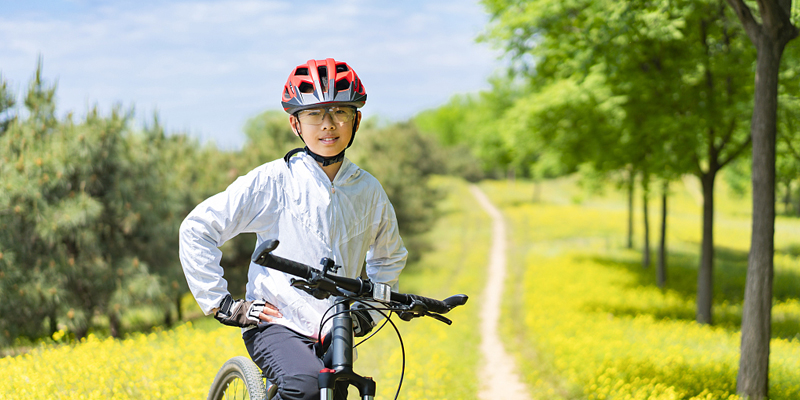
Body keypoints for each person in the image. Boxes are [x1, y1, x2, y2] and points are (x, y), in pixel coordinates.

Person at [179, 58, 408, 400]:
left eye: (340, 113)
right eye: (315, 114)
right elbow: (198, 228)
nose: (328, 125)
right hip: (277, 322)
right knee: (305, 388)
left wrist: (369, 312)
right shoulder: (273, 180)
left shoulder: (368, 191)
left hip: (337, 325)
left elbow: (388, 258)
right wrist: (223, 304)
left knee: (341, 390)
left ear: (356, 119)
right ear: (295, 123)